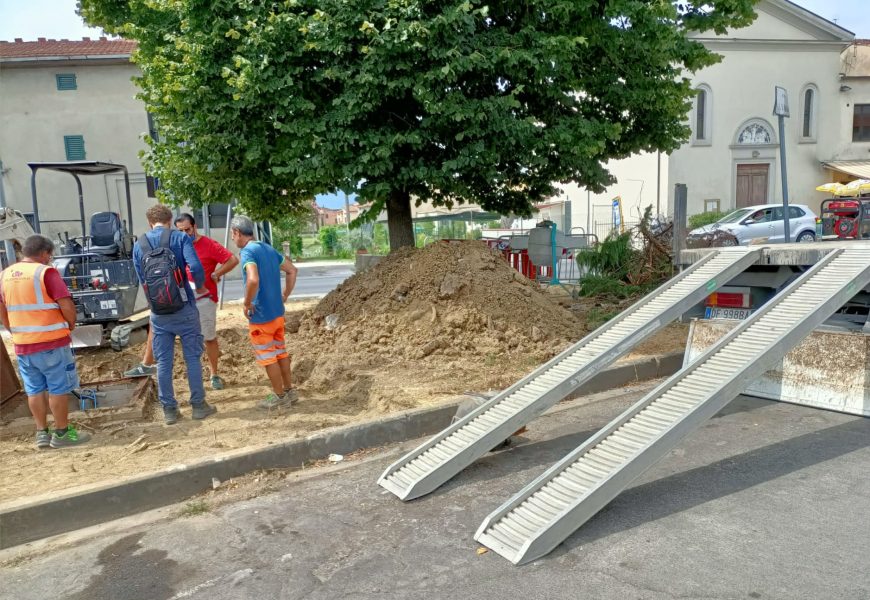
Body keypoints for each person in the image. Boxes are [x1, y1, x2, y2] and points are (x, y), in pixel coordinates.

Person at [125, 213, 239, 390]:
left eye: (188, 229)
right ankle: (147, 364)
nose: (185, 233)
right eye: (181, 230)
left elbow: (232, 260)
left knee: (208, 337)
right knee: (155, 324)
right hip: (180, 300)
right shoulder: (175, 243)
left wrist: (216, 274)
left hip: (203, 299)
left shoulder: (208, 244)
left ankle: (214, 374)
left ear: (194, 227)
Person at [0, 234, 90, 448]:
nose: (50, 259)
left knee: (34, 389)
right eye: (50, 255)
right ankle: (62, 434)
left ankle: (41, 432)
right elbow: (66, 305)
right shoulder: (45, 272)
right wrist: (70, 324)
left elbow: (2, 309)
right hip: (51, 343)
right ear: (44, 253)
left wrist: (14, 331)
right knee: (58, 388)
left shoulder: (5, 274)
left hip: (23, 345)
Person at [133, 204, 217, 424]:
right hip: (184, 307)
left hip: (159, 313)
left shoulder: (139, 245)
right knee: (192, 357)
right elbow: (196, 267)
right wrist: (198, 286)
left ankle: (170, 410)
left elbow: (142, 279)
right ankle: (198, 406)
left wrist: (156, 301)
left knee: (163, 362)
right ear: (170, 221)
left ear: (150, 222)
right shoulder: (180, 239)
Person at [230, 215, 298, 409]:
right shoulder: (268, 248)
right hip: (277, 313)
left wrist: (247, 303)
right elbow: (292, 270)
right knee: (280, 352)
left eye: (232, 235)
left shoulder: (247, 252)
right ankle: (289, 391)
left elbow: (252, 280)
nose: (233, 240)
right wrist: (284, 295)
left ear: (237, 232)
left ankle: (278, 397)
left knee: (268, 357)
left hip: (261, 315)